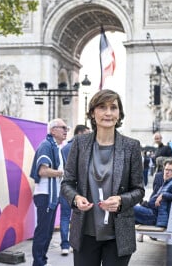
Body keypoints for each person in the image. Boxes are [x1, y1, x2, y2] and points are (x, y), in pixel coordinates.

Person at [61, 89, 145, 266]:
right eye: (102, 107)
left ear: (119, 113)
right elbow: (67, 183)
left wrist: (122, 200)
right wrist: (75, 198)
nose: (108, 113)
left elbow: (139, 190)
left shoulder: (131, 146)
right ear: (93, 113)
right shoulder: (79, 143)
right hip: (85, 232)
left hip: (118, 234)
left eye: (113, 108)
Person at [30, 118, 68, 266]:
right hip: (45, 195)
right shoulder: (46, 145)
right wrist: (62, 173)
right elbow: (43, 170)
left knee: (47, 232)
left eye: (67, 128)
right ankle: (38, 262)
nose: (66, 131)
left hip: (51, 195)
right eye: (63, 128)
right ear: (53, 130)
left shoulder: (56, 147)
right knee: (42, 232)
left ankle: (42, 261)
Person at [60, 124, 90, 256]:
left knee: (65, 216)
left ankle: (65, 245)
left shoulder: (64, 148)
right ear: (80, 133)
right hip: (79, 188)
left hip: (66, 187)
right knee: (77, 215)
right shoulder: (83, 147)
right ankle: (74, 243)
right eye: (87, 133)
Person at [134, 161, 172, 227]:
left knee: (126, 209)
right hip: (153, 213)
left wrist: (163, 195)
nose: (166, 172)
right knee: (125, 216)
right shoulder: (168, 183)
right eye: (166, 169)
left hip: (154, 217)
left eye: (170, 170)